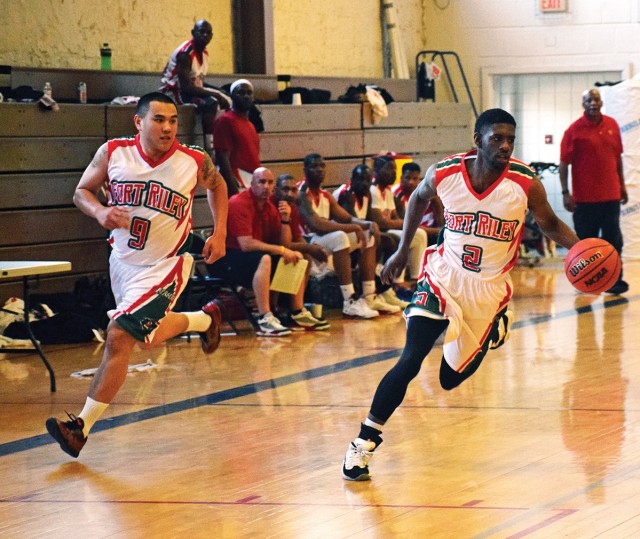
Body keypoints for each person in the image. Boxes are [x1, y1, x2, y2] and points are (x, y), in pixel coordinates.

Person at [341, 108, 581, 481]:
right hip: (442, 276)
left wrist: (581, 249)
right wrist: (403, 249)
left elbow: (548, 222)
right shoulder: (446, 172)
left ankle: (496, 326)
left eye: (510, 140)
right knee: (411, 358)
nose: (504, 146)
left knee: (449, 380)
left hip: (487, 290)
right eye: (496, 138)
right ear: (477, 140)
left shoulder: (524, 182)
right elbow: (418, 200)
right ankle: (364, 443)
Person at [46, 92, 229, 458]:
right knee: (145, 337)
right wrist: (99, 212)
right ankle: (203, 319)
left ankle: (80, 426)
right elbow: (81, 192)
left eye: (173, 120)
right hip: (124, 262)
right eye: (159, 119)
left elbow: (219, 186)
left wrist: (220, 231)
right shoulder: (113, 152)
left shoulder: (193, 159)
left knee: (119, 335)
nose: (167, 127)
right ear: (139, 122)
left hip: (168, 263)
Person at [223, 166, 329, 336]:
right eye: (261, 182)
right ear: (252, 184)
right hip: (229, 260)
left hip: (255, 258)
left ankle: (297, 312)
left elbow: (284, 244)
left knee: (298, 257)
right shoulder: (238, 203)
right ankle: (265, 317)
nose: (266, 186)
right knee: (265, 258)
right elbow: (246, 244)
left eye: (270, 182)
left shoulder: (272, 208)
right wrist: (281, 250)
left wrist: (285, 220)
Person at [297, 153, 389, 319]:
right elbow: (316, 224)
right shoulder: (301, 193)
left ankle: (369, 296)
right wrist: (353, 226)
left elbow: (346, 217)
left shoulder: (325, 195)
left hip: (323, 242)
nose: (319, 170)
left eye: (322, 166)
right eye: (314, 166)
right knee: (340, 236)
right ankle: (349, 300)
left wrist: (367, 224)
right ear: (304, 170)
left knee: (368, 235)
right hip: (306, 243)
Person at [559, 88, 629, 295]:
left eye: (596, 99)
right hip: (584, 200)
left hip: (610, 197)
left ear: (601, 102)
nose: (593, 103)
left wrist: (622, 185)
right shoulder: (573, 131)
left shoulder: (612, 125)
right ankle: (585, 281)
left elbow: (617, 159)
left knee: (614, 241)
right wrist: (565, 192)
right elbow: (563, 164)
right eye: (588, 100)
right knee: (584, 245)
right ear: (583, 104)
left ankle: (614, 281)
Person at [332, 164, 406, 311]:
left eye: (367, 180)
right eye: (360, 179)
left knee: (390, 241)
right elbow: (350, 220)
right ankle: (369, 293)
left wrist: (373, 229)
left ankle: (380, 290)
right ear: (352, 180)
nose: (364, 183)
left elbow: (370, 221)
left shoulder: (366, 194)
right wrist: (371, 227)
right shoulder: (346, 193)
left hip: (351, 237)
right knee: (372, 238)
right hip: (336, 237)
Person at [160, 20, 231, 154]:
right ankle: (208, 146)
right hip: (173, 91)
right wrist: (216, 94)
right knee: (211, 102)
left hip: (188, 89)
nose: (205, 35)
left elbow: (198, 82)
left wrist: (220, 91)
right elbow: (186, 87)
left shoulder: (204, 53)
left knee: (226, 96)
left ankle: (223, 144)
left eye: (208, 33)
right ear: (193, 33)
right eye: (201, 32)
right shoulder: (185, 53)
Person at [370, 154, 427, 284]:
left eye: (395, 169)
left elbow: (395, 218)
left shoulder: (387, 191)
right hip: (381, 232)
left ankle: (416, 279)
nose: (394, 172)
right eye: (389, 168)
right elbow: (381, 222)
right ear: (377, 172)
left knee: (420, 234)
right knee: (402, 237)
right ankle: (397, 282)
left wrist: (402, 223)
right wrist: (403, 223)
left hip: (389, 229)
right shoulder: (373, 190)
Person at [213, 79, 261, 196]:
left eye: (249, 93)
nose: (246, 96)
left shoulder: (250, 125)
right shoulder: (225, 121)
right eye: (241, 92)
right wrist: (234, 189)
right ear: (232, 96)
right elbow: (222, 157)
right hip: (238, 181)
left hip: (251, 180)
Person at [392, 161, 444, 246]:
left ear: (419, 179)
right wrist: (436, 231)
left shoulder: (425, 189)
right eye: (408, 178)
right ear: (401, 178)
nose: (411, 182)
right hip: (415, 230)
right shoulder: (396, 194)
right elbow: (405, 223)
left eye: (415, 178)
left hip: (431, 229)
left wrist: (441, 228)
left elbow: (438, 208)